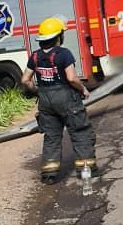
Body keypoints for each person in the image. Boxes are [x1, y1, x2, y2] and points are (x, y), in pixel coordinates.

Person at [20, 17, 97, 184]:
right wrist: (83, 89)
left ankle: (49, 173)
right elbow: (71, 78)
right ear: (58, 37)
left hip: (46, 101)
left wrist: (37, 90)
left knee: (51, 136)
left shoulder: (35, 56)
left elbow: (25, 80)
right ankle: (86, 168)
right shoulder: (64, 54)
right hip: (67, 99)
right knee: (80, 132)